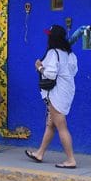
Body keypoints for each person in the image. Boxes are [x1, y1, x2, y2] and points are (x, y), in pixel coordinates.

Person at [25, 24, 78, 169]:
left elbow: (50, 74)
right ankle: (40, 153)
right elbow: (73, 71)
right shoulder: (70, 54)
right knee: (51, 124)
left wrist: (39, 67)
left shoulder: (53, 53)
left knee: (61, 126)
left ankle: (70, 159)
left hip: (56, 93)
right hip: (67, 91)